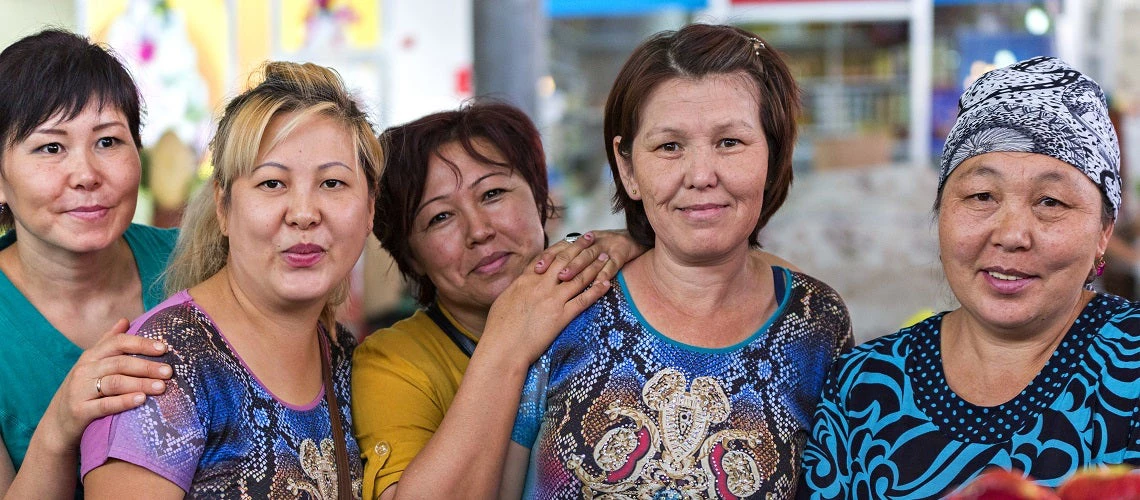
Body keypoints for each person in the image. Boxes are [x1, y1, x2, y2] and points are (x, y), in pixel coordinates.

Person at [501, 23, 853, 498]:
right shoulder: (570, 299)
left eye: (730, 142)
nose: (701, 175)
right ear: (627, 167)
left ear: (774, 156)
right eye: (670, 146)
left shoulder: (815, 323)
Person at [798, 56, 1140, 499]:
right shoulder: (862, 387)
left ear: (1103, 233)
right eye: (981, 195)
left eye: (1051, 202)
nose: (1012, 235)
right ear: (941, 214)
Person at [80, 61, 380, 497]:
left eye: (333, 183)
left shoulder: (341, 355)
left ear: (370, 208)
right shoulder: (163, 370)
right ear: (223, 206)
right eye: (272, 183)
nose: (303, 213)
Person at [352, 100, 647, 499]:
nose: (478, 230)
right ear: (410, 258)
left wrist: (646, 246)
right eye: (440, 217)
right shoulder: (395, 362)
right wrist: (507, 341)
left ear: (541, 200)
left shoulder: (612, 294)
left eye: (492, 193)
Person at [0, 29, 174, 497]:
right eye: (50, 147)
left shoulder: (198, 264)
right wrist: (60, 425)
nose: (86, 176)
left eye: (108, 142)